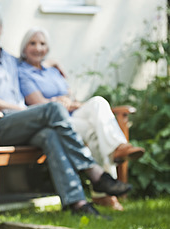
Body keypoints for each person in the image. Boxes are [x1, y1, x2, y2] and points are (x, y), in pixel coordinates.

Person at [0, 6, 132, 217]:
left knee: (50, 135)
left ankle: (76, 204)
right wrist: (21, 108)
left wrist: (51, 63)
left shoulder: (11, 60)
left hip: (23, 124)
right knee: (53, 109)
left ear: (1, 29)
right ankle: (93, 171)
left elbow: (33, 63)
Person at [17, 26, 145, 210]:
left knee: (99, 102)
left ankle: (119, 148)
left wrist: (68, 100)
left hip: (73, 113)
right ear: (24, 47)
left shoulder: (52, 71)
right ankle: (104, 193)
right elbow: (39, 104)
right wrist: (60, 101)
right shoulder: (23, 72)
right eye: (33, 43)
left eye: (43, 44)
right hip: (56, 121)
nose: (38, 48)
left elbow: (72, 98)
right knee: (94, 133)